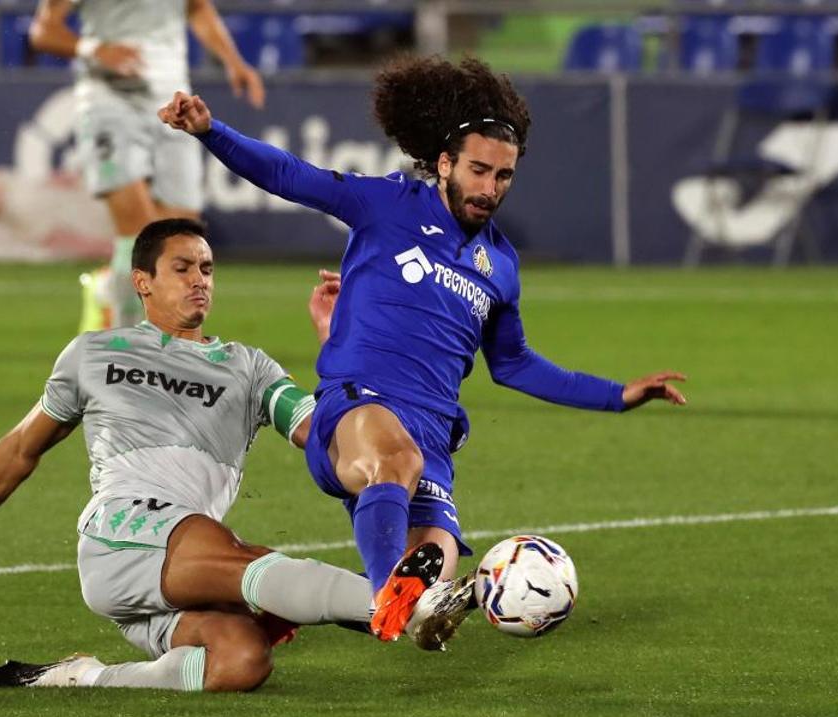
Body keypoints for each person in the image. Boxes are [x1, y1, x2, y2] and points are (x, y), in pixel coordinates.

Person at [156, 55, 689, 645]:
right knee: (395, 469)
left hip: (433, 433)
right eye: (479, 171)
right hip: (358, 406)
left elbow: (513, 364)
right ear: (444, 164)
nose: (490, 189)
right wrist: (210, 131)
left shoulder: (502, 266)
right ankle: (388, 596)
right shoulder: (387, 204)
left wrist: (617, 395)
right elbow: (290, 174)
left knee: (437, 559)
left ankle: (317, 603)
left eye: (504, 176)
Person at [0, 218, 385, 693]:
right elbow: (18, 449)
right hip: (122, 530)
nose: (199, 281)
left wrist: (338, 342)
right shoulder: (93, 353)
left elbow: (327, 433)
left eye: (206, 269)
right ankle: (401, 602)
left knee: (242, 660)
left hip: (179, 564)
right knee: (248, 561)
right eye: (182, 269)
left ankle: (83, 677)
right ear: (142, 282)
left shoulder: (248, 367)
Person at [29, 0, 265, 331]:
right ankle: (125, 352)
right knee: (138, 235)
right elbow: (42, 30)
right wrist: (96, 49)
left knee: (181, 237)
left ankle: (111, 291)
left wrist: (233, 61)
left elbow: (197, 8)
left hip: (173, 104)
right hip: (109, 102)